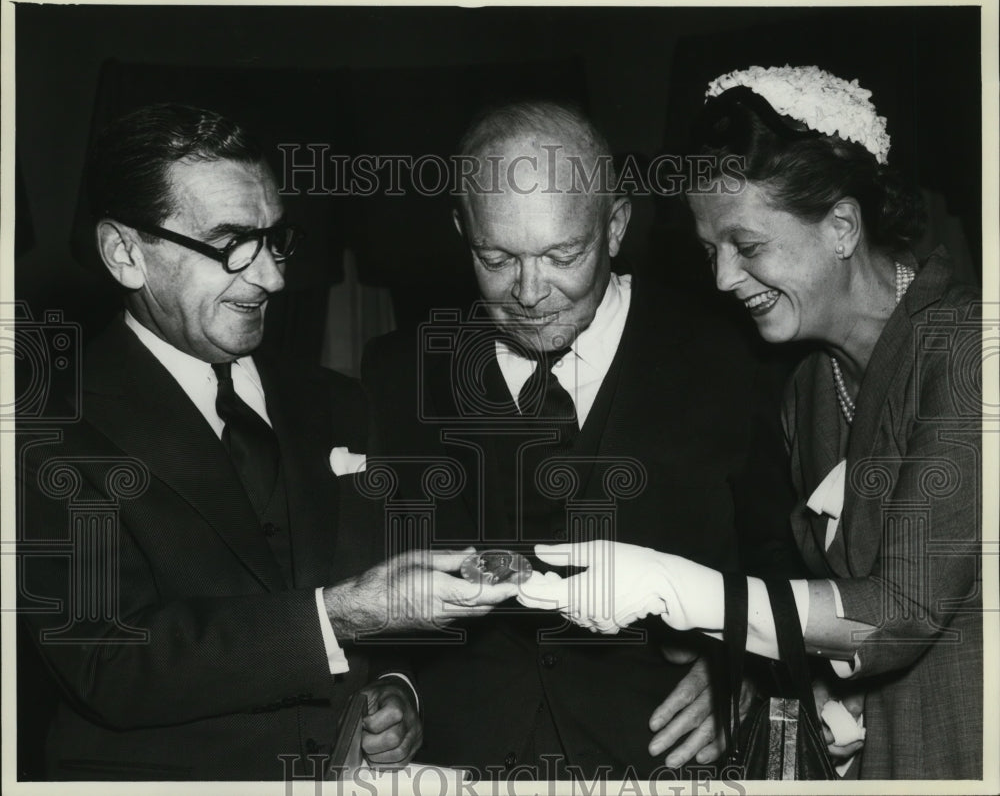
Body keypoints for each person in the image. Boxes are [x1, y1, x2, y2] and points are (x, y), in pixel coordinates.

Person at [15, 103, 517, 781]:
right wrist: (336, 617)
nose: (273, 279)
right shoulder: (46, 429)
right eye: (231, 246)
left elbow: (386, 598)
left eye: (275, 239)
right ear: (125, 253)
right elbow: (109, 661)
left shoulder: (339, 401)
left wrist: (397, 685)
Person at [525, 66, 983, 779]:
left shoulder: (967, 349)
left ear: (841, 226)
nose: (722, 279)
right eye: (711, 252)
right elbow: (818, 608)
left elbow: (899, 612)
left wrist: (682, 590)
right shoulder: (808, 387)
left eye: (748, 245)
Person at [360, 100, 797, 779]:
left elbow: (784, 557)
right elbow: (374, 576)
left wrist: (743, 668)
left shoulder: (730, 358)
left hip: (667, 763)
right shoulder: (396, 374)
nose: (530, 292)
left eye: (563, 255)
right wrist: (396, 685)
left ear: (615, 225)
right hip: (459, 766)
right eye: (496, 257)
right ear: (460, 230)